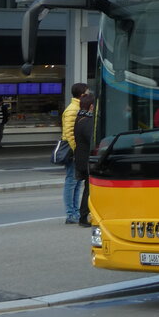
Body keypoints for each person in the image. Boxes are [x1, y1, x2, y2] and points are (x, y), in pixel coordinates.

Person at [61, 82, 88, 224]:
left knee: (77, 182)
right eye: (87, 92)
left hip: (75, 151)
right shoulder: (73, 110)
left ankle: (75, 211)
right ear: (82, 94)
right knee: (71, 182)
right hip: (72, 151)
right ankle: (71, 212)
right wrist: (77, 152)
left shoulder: (77, 108)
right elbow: (70, 133)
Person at [73, 91, 96, 227]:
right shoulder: (87, 121)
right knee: (89, 189)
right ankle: (83, 216)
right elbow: (91, 140)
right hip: (87, 159)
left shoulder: (79, 117)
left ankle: (84, 215)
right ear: (91, 106)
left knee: (88, 188)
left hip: (81, 158)